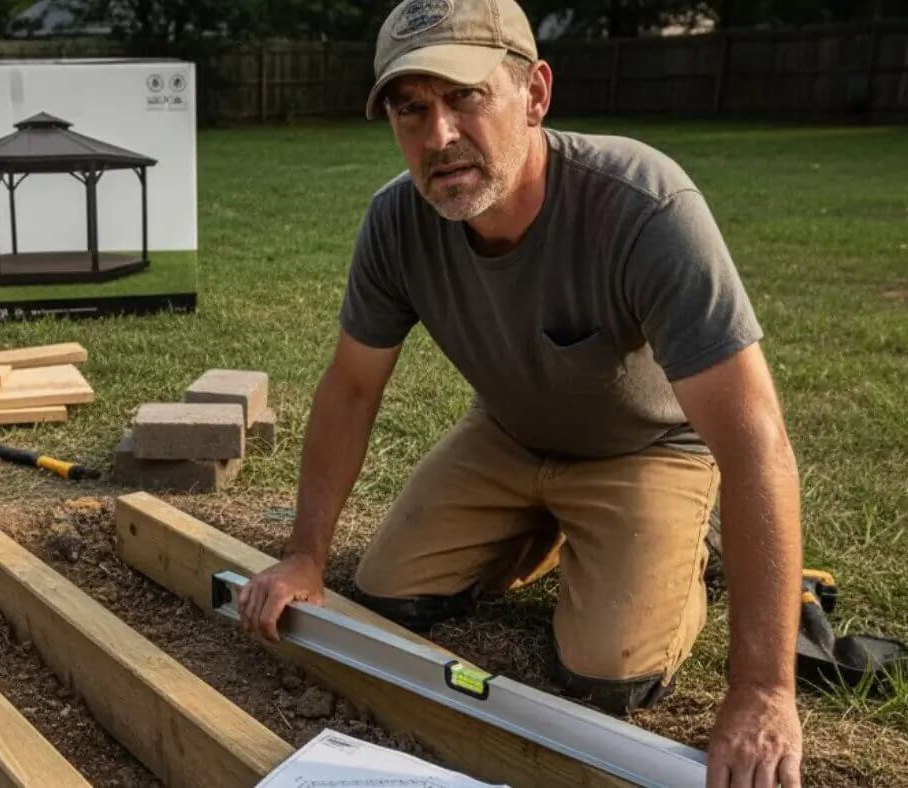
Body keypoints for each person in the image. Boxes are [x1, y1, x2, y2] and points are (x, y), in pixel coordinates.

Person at [235, 1, 804, 785]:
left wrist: (765, 690)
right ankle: (551, 529)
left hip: (646, 448)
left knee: (608, 672)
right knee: (385, 592)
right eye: (412, 109)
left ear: (534, 93)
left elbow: (755, 444)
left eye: (465, 97)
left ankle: (675, 549)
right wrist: (304, 556)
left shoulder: (644, 207)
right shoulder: (397, 221)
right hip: (506, 435)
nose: (437, 138)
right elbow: (351, 389)